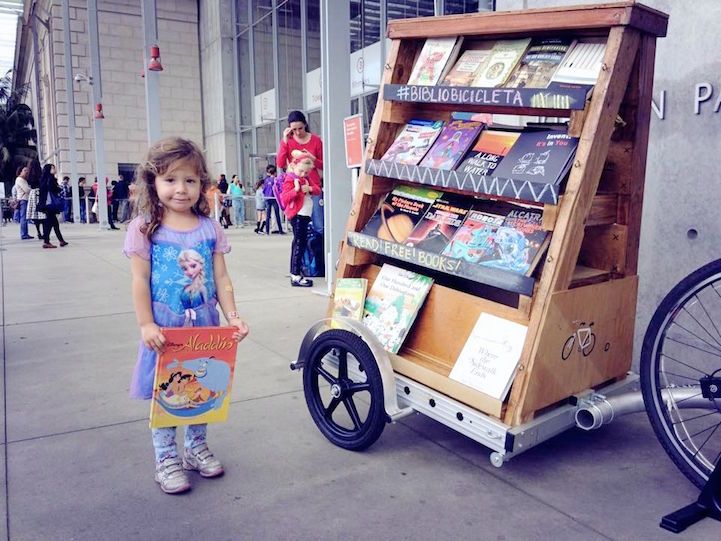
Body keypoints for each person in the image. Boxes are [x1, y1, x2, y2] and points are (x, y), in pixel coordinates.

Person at [123, 136, 249, 495]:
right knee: (166, 392)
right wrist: (146, 323)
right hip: (165, 328)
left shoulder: (209, 228)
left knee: (201, 389)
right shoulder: (145, 228)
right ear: (153, 182)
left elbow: (221, 277)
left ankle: (195, 448)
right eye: (171, 180)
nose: (181, 189)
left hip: (205, 326)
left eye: (190, 180)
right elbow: (139, 279)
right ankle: (166, 458)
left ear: (202, 184)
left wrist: (233, 316)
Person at [276, 110, 324, 235]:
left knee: (319, 226)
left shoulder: (315, 140)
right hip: (295, 190)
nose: (297, 132)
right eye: (294, 129)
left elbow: (324, 165)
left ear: (305, 125)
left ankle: (317, 253)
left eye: (300, 128)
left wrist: (312, 158)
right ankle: (303, 254)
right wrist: (284, 142)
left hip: (312, 187)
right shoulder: (289, 141)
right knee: (299, 231)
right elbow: (280, 164)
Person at [279, 155, 321, 287]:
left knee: (299, 243)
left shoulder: (305, 179)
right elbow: (284, 198)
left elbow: (317, 189)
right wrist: (297, 191)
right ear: (294, 166)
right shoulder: (290, 179)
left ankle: (296, 273)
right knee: (299, 244)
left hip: (304, 215)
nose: (303, 174)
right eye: (301, 171)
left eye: (306, 172)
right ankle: (295, 275)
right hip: (297, 215)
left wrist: (309, 188)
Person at [38, 163, 68, 248]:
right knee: (50, 224)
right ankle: (46, 242)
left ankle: (61, 240)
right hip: (50, 204)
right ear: (49, 170)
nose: (55, 170)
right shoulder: (51, 179)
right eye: (53, 168)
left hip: (46, 204)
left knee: (54, 223)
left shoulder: (43, 179)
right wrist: (58, 188)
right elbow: (53, 188)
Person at [262, 165, 284, 234]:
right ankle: (280, 230)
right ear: (274, 173)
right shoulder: (276, 180)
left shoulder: (266, 180)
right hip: (274, 198)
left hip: (267, 198)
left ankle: (267, 230)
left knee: (268, 215)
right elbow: (279, 189)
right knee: (277, 214)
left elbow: (264, 189)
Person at [14, 165, 33, 239]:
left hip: (25, 200)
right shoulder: (19, 179)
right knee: (23, 217)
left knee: (25, 217)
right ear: (20, 171)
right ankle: (24, 234)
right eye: (25, 170)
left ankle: (25, 233)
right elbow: (27, 190)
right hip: (23, 200)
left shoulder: (24, 179)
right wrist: (31, 189)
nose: (27, 172)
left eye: (27, 170)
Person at [26, 176, 45, 241]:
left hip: (35, 209)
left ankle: (39, 232)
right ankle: (43, 233)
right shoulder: (41, 189)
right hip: (41, 208)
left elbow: (31, 202)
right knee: (43, 220)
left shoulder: (32, 191)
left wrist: (30, 211)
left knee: (37, 222)